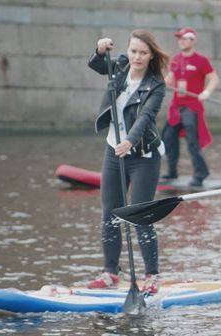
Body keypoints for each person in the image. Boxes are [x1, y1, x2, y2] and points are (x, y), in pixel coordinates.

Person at [86, 30, 169, 294]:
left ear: (151, 56)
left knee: (141, 216)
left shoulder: (156, 85)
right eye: (134, 51)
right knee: (109, 214)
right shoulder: (120, 66)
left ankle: (152, 276)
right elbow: (98, 65)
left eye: (143, 53)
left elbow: (146, 117)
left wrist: (131, 141)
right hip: (114, 151)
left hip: (143, 156)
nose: (137, 57)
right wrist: (100, 50)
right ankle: (110, 272)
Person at [161, 27, 220, 187]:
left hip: (192, 106)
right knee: (167, 137)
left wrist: (206, 92)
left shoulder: (201, 60)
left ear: (193, 41)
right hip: (176, 106)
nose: (180, 41)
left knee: (192, 141)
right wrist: (165, 81)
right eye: (179, 38)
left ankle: (201, 173)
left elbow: (214, 79)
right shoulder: (176, 59)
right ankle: (172, 171)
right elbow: (171, 77)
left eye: (184, 38)